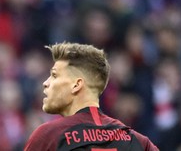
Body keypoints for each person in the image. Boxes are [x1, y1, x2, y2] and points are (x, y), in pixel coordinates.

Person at [25, 42, 158, 150]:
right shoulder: (138, 142)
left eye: (54, 75)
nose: (46, 83)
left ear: (76, 85)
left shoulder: (48, 137)